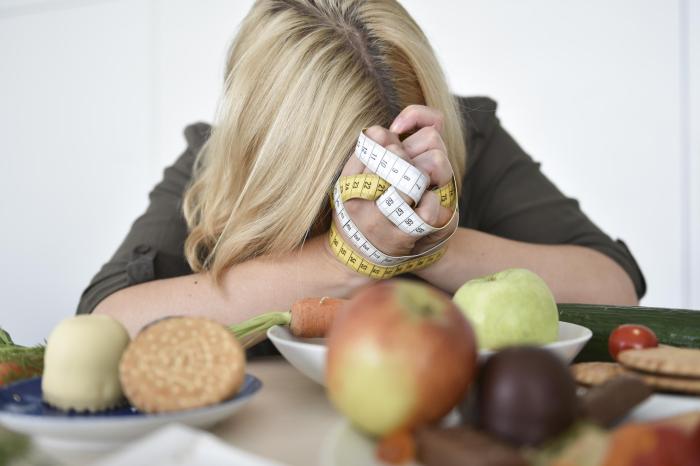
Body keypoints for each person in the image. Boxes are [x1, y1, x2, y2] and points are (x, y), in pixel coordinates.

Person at [77, 0, 645, 343]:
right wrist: (341, 258)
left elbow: (615, 288)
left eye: (407, 167)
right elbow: (104, 323)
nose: (387, 191)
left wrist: (430, 241)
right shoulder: (217, 166)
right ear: (272, 162)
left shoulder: (468, 138)